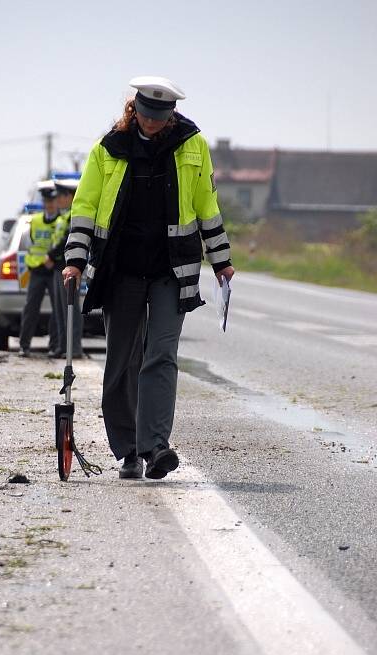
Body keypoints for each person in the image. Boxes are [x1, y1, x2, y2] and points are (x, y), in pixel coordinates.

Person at [62, 76, 234, 480]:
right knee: (122, 360)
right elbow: (84, 208)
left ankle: (156, 446)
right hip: (120, 269)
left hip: (172, 270)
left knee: (161, 354)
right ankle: (128, 450)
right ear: (133, 110)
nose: (153, 122)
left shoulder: (193, 145)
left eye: (161, 116)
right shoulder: (108, 149)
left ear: (171, 113)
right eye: (146, 114)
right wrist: (74, 259)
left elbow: (207, 207)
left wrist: (222, 259)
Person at [18, 180, 59, 357]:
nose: (49, 205)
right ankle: (24, 345)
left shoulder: (61, 222)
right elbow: (28, 245)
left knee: (58, 310)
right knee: (31, 308)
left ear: (56, 203)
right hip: (37, 270)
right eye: (47, 202)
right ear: (43, 203)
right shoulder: (34, 222)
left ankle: (54, 346)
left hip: (54, 270)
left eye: (52, 202)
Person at [47, 177, 83, 359]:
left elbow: (66, 241)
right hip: (58, 268)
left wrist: (51, 255)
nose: (58, 199)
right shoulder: (63, 215)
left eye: (61, 195)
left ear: (70, 196)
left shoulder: (74, 215)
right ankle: (63, 346)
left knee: (71, 310)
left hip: (68, 267)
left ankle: (74, 348)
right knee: (61, 311)